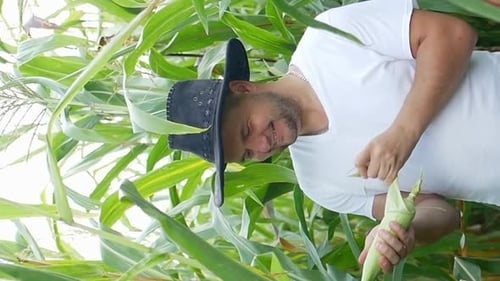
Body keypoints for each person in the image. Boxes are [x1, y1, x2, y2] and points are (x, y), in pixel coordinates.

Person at [166, 0, 500, 274]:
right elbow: (442, 213)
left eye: (246, 130)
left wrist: (404, 132)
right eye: (248, 154)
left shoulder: (327, 39)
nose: (263, 146)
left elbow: (455, 35)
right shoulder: (318, 183)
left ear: (242, 88)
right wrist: (406, 231)